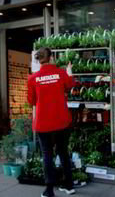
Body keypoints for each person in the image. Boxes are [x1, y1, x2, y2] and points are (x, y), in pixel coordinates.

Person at [28, 47, 76, 197]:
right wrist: (69, 71)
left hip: (43, 123)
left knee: (47, 155)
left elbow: (32, 101)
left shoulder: (32, 78)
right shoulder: (60, 73)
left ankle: (49, 190)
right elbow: (70, 85)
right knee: (63, 152)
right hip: (62, 121)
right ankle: (69, 185)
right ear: (52, 58)